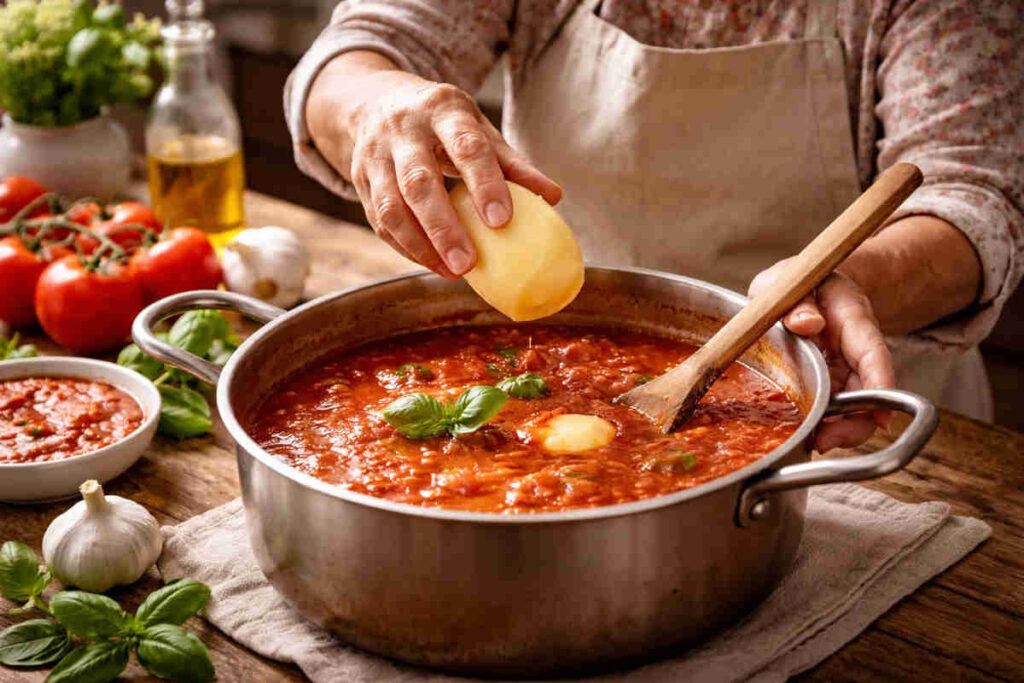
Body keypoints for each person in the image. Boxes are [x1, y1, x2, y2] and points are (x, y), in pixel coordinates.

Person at [284, 0, 1023, 450]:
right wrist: (374, 106)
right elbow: (353, 55)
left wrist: (857, 279)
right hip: (551, 335)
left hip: (862, 422)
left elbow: (976, 196)